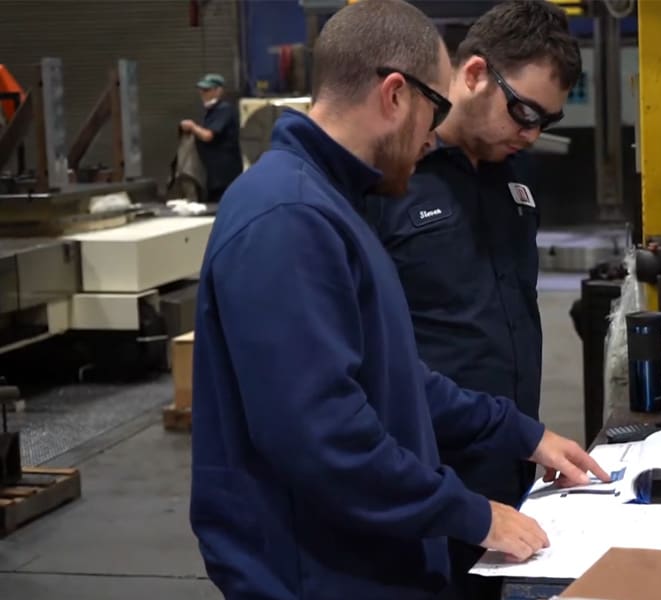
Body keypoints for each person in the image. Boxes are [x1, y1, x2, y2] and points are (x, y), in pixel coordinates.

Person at [188, 1, 607, 599]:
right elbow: (324, 436)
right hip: (316, 575)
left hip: (371, 552)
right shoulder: (291, 217)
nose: (434, 132)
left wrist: (515, 431)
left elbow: (391, 378)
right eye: (433, 108)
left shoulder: (327, 204)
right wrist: (472, 515)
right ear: (394, 95)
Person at [360, 1, 581, 597]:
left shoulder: (514, 185)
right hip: (420, 488)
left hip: (505, 472)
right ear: (476, 73)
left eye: (546, 122)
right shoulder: (391, 179)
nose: (532, 135)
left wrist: (526, 438)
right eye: (524, 112)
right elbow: (368, 361)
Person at [180, 73, 242, 203]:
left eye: (206, 90)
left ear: (218, 91)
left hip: (224, 175)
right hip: (213, 174)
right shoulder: (211, 111)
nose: (202, 93)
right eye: (201, 90)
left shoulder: (224, 109)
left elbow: (208, 136)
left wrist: (192, 127)